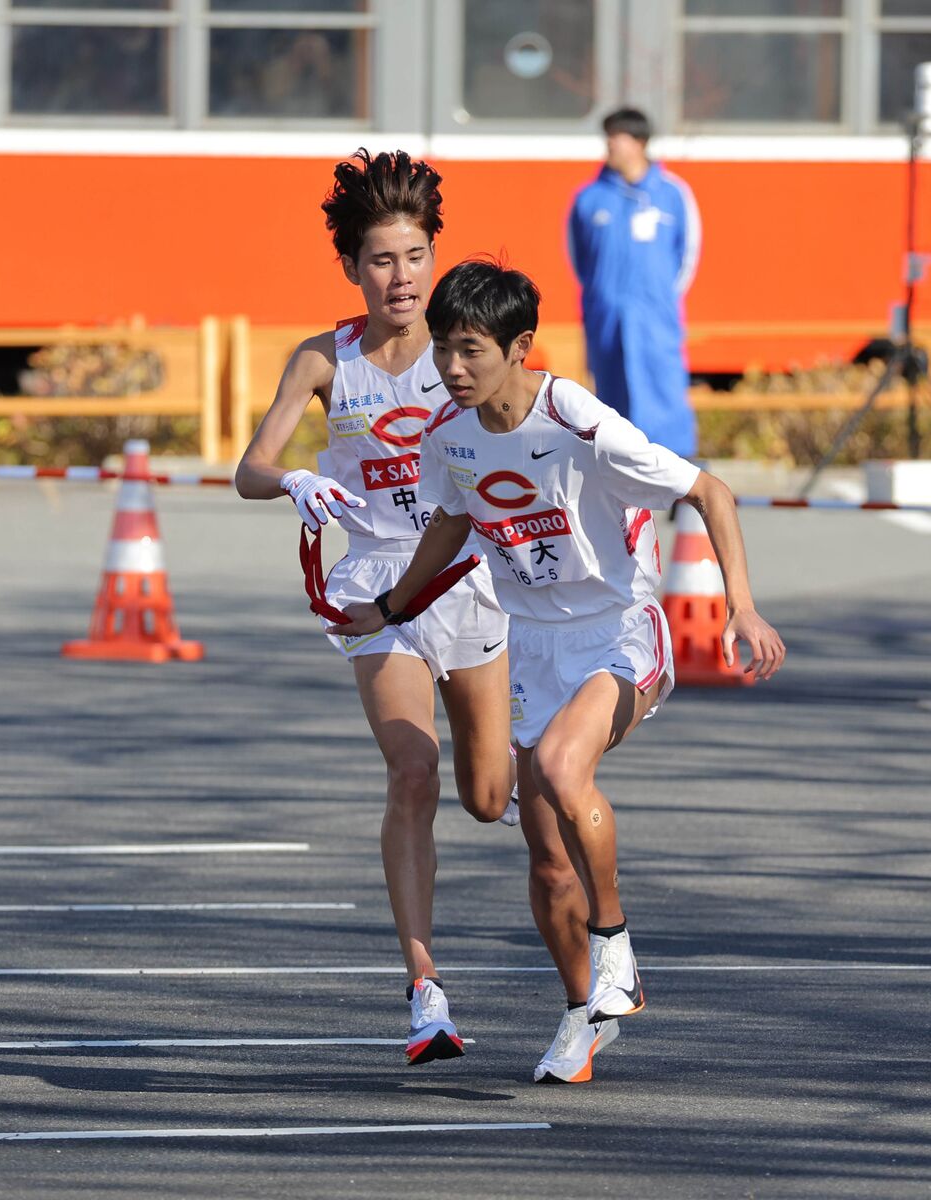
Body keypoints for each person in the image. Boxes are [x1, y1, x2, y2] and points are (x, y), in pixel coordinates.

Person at [335, 259, 785, 1085]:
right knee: (545, 857)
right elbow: (449, 520)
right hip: (531, 647)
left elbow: (712, 492)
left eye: (470, 350)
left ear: (520, 347)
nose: (451, 368)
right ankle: (584, 1013)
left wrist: (741, 608)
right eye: (441, 350)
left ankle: (618, 953)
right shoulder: (449, 432)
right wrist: (393, 608)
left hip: (619, 630)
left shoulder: (573, 416)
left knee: (558, 765)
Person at [234, 151, 517, 1068]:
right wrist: (298, 479)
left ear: (435, 257)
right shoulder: (327, 358)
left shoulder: (465, 352)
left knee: (487, 797)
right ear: (354, 268)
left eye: (414, 256)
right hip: (378, 593)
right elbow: (250, 467)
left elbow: (540, 441)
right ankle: (424, 990)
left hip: (470, 577)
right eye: (381, 260)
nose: (401, 277)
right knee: (410, 771)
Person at [567, 107, 701, 457]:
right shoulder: (588, 198)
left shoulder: (672, 194)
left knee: (663, 389)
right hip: (605, 317)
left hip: (655, 316)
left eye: (618, 135)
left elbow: (687, 254)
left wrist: (659, 299)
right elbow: (580, 260)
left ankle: (677, 474)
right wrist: (604, 297)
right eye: (607, 135)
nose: (609, 143)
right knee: (611, 396)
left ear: (639, 142)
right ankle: (619, 474)